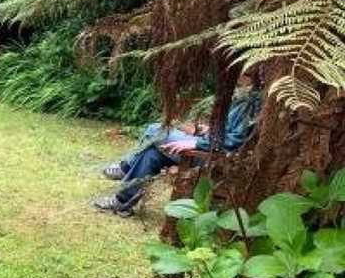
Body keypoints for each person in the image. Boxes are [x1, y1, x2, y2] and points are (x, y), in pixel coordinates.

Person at [94, 78, 262, 216]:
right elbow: (227, 132)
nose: (236, 75)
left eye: (242, 73)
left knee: (156, 130)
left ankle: (125, 167)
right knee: (152, 154)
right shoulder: (242, 99)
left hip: (212, 158)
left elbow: (235, 142)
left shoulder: (253, 101)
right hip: (206, 146)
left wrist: (196, 142)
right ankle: (122, 202)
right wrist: (205, 131)